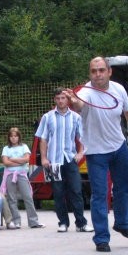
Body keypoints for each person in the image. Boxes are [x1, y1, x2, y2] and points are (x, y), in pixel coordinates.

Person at [65, 56, 128, 252]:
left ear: (109, 71)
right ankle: (101, 238)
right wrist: (74, 102)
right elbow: (80, 106)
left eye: (101, 70)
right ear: (90, 74)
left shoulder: (119, 89)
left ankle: (122, 224)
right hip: (96, 152)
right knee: (100, 194)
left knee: (123, 188)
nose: (97, 74)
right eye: (93, 71)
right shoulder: (85, 92)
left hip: (118, 146)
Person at [36, 87, 93, 233]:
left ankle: (81, 223)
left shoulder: (76, 117)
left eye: (63, 98)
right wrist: (43, 158)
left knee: (76, 191)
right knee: (58, 192)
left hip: (70, 159)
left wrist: (81, 153)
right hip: (54, 161)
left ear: (67, 100)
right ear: (54, 100)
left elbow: (83, 137)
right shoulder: (47, 117)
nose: (61, 101)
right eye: (58, 98)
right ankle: (63, 222)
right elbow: (43, 139)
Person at [0, 127, 44, 229]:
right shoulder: (6, 149)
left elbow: (26, 159)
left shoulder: (24, 147)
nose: (13, 138)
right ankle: (16, 221)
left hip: (22, 174)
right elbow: (5, 162)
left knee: (28, 197)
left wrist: (13, 159)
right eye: (11, 136)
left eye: (15, 136)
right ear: (9, 138)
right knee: (12, 198)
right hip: (10, 175)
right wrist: (20, 160)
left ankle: (33, 221)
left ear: (19, 137)